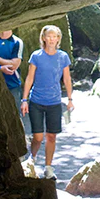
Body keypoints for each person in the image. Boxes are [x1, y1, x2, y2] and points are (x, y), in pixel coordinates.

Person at [20, 25, 74, 180]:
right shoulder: (36, 56)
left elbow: (67, 79)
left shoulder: (63, 57)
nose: (51, 39)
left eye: (54, 37)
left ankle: (48, 168)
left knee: (51, 136)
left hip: (54, 101)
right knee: (38, 137)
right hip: (36, 100)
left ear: (58, 39)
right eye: (49, 36)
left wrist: (70, 99)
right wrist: (24, 100)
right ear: (43, 38)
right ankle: (32, 158)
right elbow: (30, 78)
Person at [0, 30, 25, 123]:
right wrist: (0, 68)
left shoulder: (17, 42)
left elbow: (14, 65)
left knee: (15, 116)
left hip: (12, 85)